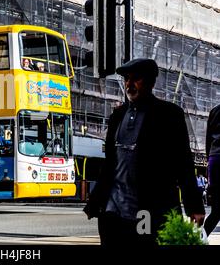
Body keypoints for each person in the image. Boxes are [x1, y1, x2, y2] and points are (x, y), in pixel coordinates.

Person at [83, 58, 205, 246]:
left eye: (136, 79)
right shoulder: (118, 115)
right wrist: (96, 201)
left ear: (150, 82)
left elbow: (183, 162)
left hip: (145, 211)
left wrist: (194, 206)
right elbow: (110, 164)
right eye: (126, 79)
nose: (129, 84)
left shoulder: (169, 115)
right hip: (112, 211)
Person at [204, 103, 220, 236]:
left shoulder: (214, 111)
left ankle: (200, 238)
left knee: (216, 210)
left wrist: (208, 161)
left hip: (214, 159)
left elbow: (208, 139)